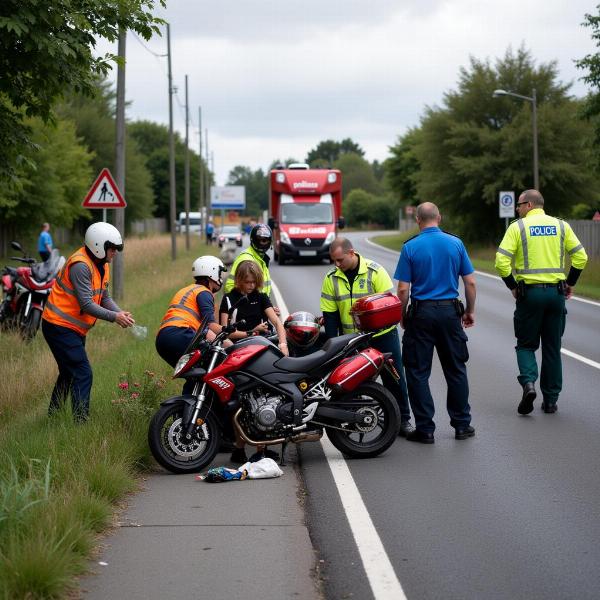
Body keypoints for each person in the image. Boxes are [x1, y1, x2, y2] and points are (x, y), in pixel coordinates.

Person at [494, 189, 588, 415]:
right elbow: (581, 256)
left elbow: (501, 262)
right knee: (552, 347)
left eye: (519, 204)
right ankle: (551, 401)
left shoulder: (517, 227)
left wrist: (513, 286)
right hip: (556, 295)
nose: (517, 208)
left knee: (526, 344)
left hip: (530, 295)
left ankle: (528, 384)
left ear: (529, 205)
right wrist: (569, 283)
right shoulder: (561, 226)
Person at [395, 202, 476, 443]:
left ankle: (425, 429)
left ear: (418, 220)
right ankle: (462, 426)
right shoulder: (456, 244)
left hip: (421, 314)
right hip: (451, 313)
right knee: (456, 370)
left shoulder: (410, 247)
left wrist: (402, 315)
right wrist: (469, 311)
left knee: (418, 372)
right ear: (439, 217)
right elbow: (470, 282)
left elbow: (402, 289)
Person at [320, 237, 414, 437]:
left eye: (340, 260)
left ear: (351, 253)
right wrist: (332, 346)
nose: (337, 265)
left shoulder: (375, 271)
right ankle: (350, 417)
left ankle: (403, 419)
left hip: (383, 335)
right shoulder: (331, 278)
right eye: (334, 261)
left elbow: (388, 303)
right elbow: (330, 315)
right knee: (352, 381)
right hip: (352, 339)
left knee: (394, 377)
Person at [42, 222, 134, 421]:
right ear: (98, 246)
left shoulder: (101, 266)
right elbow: (87, 304)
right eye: (112, 249)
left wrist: (121, 313)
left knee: (68, 372)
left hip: (72, 328)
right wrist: (114, 318)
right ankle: (80, 423)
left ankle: (53, 415)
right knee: (83, 373)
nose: (115, 253)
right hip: (58, 326)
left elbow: (104, 297)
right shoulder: (81, 266)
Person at [219, 260, 288, 464]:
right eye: (247, 282)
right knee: (240, 402)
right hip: (238, 355)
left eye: (254, 282)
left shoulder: (261, 297)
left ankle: (261, 449)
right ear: (239, 280)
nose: (250, 286)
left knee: (262, 399)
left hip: (260, 355)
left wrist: (283, 344)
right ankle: (239, 448)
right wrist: (252, 332)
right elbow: (225, 332)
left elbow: (277, 323)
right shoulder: (229, 300)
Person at [156, 255, 228, 392]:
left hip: (163, 339)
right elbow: (211, 326)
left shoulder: (187, 290)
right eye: (219, 273)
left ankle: (186, 409)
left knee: (196, 376)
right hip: (180, 334)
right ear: (212, 273)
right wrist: (231, 342)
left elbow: (204, 330)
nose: (220, 277)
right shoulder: (204, 293)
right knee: (218, 364)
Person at [224, 223, 275, 301]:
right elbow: (230, 287)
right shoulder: (246, 259)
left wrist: (268, 307)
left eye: (265, 240)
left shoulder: (261, 259)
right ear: (253, 239)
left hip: (260, 309)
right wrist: (250, 306)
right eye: (259, 240)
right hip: (248, 310)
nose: (262, 243)